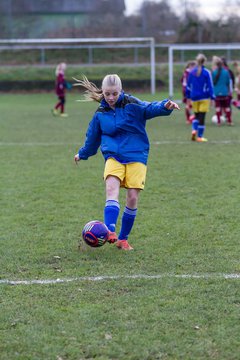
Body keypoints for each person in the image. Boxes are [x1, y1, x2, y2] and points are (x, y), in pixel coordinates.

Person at [74, 74, 180, 250]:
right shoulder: (100, 114)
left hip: (136, 155)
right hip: (113, 156)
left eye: (114, 94)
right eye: (107, 94)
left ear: (121, 91)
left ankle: (123, 239)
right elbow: (92, 139)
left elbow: (149, 108)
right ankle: (110, 231)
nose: (111, 98)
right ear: (103, 92)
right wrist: (82, 154)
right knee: (111, 188)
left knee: (132, 197)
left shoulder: (132, 103)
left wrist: (165, 105)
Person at [186, 53, 215, 142]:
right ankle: (200, 136)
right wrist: (212, 98)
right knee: (202, 117)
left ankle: (194, 130)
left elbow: (188, 86)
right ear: (204, 62)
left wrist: (188, 97)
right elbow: (210, 86)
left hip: (194, 97)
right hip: (204, 97)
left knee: (196, 116)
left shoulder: (191, 72)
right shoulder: (206, 72)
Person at [212, 56, 232, 126]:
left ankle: (219, 122)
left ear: (216, 65)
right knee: (227, 107)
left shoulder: (214, 72)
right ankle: (229, 121)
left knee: (218, 108)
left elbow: (212, 83)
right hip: (224, 92)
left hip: (217, 92)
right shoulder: (226, 72)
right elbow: (228, 82)